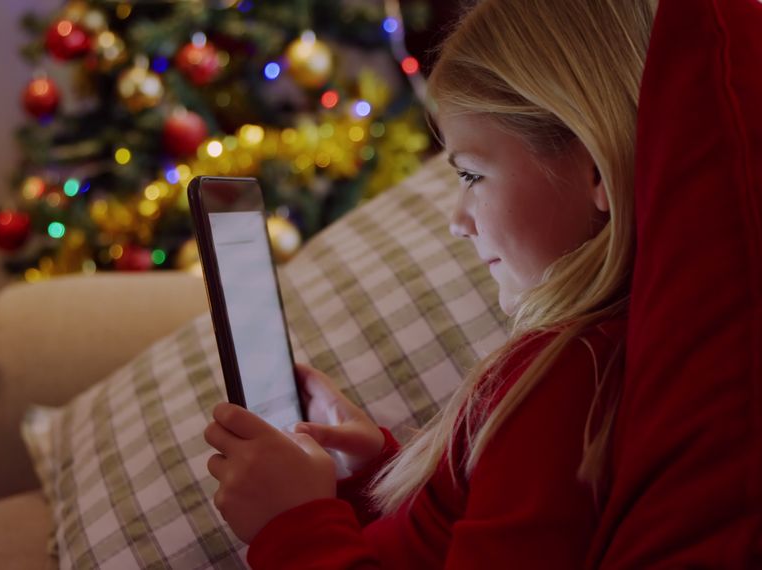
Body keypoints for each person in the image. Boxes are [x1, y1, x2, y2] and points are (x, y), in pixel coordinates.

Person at [202, 0, 653, 567]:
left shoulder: (571, 380)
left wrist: (293, 527)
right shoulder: (570, 364)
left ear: (595, 167)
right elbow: (450, 536)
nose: (457, 221)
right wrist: (375, 480)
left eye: (471, 174)